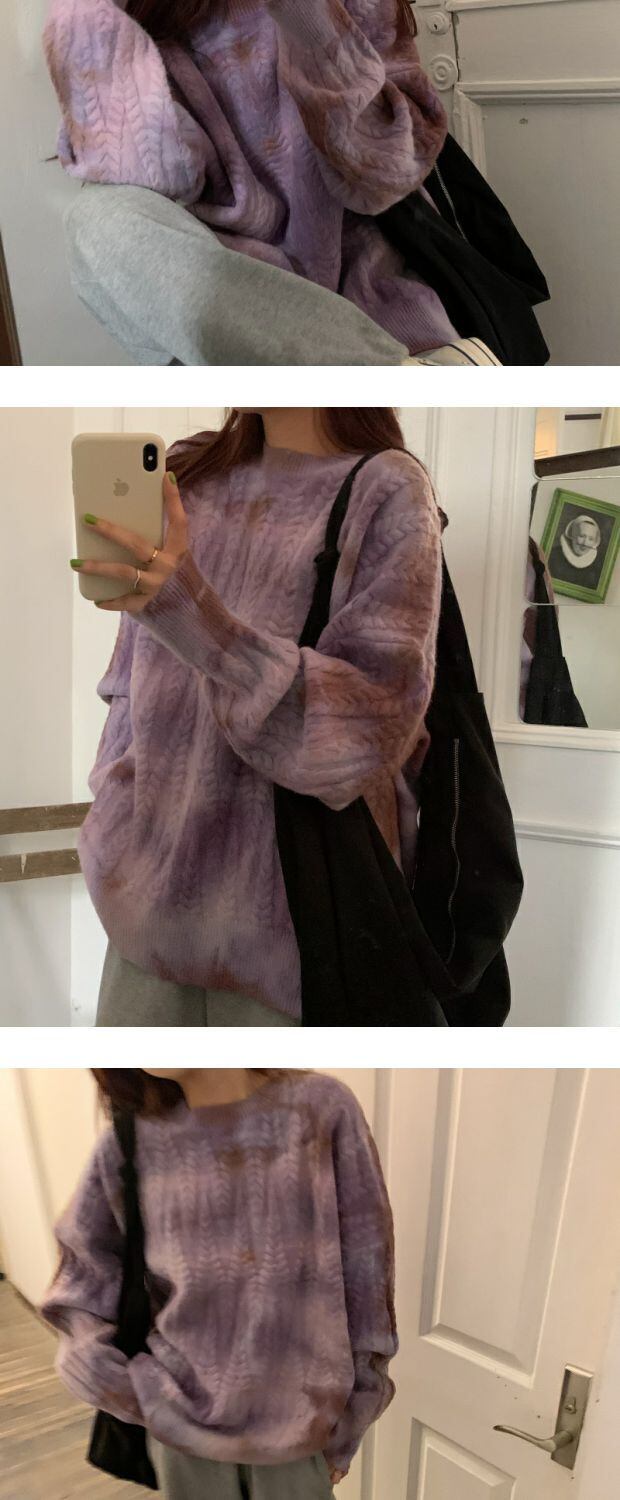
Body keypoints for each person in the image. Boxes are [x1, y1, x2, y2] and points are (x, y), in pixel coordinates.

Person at [70, 408, 443, 1026]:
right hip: (142, 921)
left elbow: (366, 732)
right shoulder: (187, 473)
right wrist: (112, 827)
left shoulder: (384, 489)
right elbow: (128, 685)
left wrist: (195, 616)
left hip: (292, 935)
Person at [42, 0, 496, 365]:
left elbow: (385, 176)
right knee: (96, 218)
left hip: (373, 301)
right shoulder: (117, 18)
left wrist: (309, 17)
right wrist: (89, 17)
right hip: (233, 296)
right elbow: (162, 182)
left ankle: (393, 375)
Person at [40, 1067, 398, 1499]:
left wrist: (350, 1420)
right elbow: (82, 1276)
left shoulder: (320, 1110)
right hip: (181, 1432)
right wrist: (132, 1390)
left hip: (301, 1434)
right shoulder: (129, 1138)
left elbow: (366, 1278)